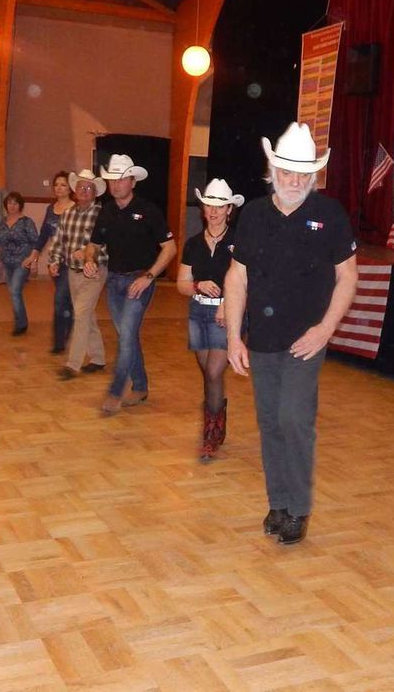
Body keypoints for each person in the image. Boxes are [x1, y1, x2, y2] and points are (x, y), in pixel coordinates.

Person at [224, 122, 357, 545]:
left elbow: (348, 276)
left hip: (306, 341)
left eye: (303, 174)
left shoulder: (329, 215)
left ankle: (298, 508)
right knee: (269, 422)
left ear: (313, 176)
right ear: (273, 171)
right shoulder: (255, 215)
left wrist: (325, 329)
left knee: (293, 419)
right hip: (262, 339)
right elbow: (236, 277)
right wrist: (233, 337)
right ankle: (278, 502)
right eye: (287, 172)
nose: (294, 181)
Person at [84, 154, 176, 414]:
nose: (116, 184)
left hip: (140, 281)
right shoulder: (107, 212)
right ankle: (141, 385)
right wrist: (90, 259)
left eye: (122, 179)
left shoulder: (148, 211)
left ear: (133, 181)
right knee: (127, 336)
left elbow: (169, 248)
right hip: (114, 282)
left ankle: (116, 392)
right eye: (113, 179)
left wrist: (149, 277)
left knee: (125, 339)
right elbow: (93, 245)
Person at [176, 179, 244, 462]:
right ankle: (218, 415)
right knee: (207, 372)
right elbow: (181, 283)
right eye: (209, 205)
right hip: (198, 312)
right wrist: (197, 286)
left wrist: (227, 305)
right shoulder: (193, 243)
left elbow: (246, 281)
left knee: (215, 371)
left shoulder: (238, 242)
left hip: (226, 314)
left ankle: (211, 434)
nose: (214, 211)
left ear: (229, 209)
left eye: (220, 206)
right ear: (203, 208)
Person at [48, 169, 108, 380]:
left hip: (95, 272)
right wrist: (54, 261)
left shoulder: (102, 215)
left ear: (95, 193)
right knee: (87, 315)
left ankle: (73, 364)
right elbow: (58, 241)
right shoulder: (67, 215)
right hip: (72, 273)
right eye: (81, 186)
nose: (84, 190)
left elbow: (110, 245)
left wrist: (89, 253)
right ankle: (98, 358)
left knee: (80, 314)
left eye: (88, 187)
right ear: (75, 190)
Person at [23, 171, 75, 353]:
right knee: (66, 301)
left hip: (72, 261)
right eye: (57, 185)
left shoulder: (76, 208)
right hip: (55, 261)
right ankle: (68, 331)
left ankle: (60, 342)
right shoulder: (50, 209)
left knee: (61, 299)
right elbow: (44, 234)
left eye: (63, 184)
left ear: (70, 188)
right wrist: (33, 255)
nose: (59, 188)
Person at [0, 192, 38, 336]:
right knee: (14, 292)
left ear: (20, 205)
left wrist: (34, 261)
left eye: (15, 203)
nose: (12, 206)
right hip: (7, 261)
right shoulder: (3, 222)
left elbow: (36, 243)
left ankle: (20, 325)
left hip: (23, 261)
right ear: (6, 206)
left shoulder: (27, 222)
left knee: (15, 291)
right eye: (9, 203)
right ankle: (21, 320)